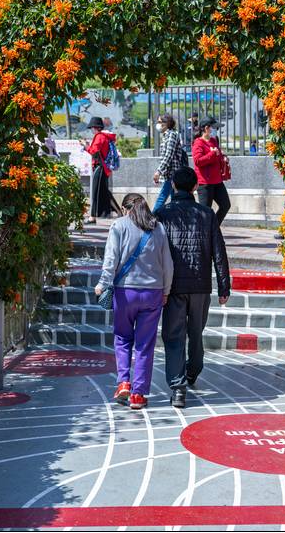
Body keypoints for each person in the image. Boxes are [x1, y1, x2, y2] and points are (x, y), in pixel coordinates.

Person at [155, 167, 231, 408]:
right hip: (200, 285)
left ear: (174, 186)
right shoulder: (207, 214)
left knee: (173, 336)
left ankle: (178, 388)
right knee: (195, 331)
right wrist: (224, 286)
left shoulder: (162, 214)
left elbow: (153, 253)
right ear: (196, 187)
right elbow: (219, 251)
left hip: (173, 286)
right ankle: (193, 371)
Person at [95, 194, 174, 410]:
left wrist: (103, 283)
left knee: (122, 338)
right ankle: (138, 395)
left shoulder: (118, 226)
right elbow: (168, 264)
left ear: (124, 208)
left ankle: (123, 382)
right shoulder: (158, 228)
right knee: (145, 344)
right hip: (153, 293)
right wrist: (166, 290)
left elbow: (110, 259)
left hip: (125, 292)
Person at [191, 116, 232, 227]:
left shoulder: (214, 141)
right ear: (206, 128)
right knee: (205, 212)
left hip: (217, 181)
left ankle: (213, 228)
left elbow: (216, 156)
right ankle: (203, 234)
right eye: (214, 128)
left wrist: (223, 157)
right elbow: (198, 161)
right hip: (205, 183)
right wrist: (212, 154)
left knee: (225, 205)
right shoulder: (198, 143)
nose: (216, 130)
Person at [83, 116, 119, 224]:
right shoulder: (105, 136)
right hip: (104, 168)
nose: (91, 130)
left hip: (99, 167)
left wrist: (85, 146)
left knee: (95, 192)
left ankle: (92, 217)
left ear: (95, 127)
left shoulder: (99, 137)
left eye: (91, 128)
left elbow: (94, 151)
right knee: (104, 192)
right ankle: (119, 212)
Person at [152, 113, 187, 211]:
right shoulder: (166, 135)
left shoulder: (171, 135)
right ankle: (176, 219)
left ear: (166, 123)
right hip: (169, 173)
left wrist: (158, 171)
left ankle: (150, 220)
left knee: (162, 198)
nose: (158, 124)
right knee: (174, 199)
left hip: (172, 172)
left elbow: (168, 155)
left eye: (159, 122)